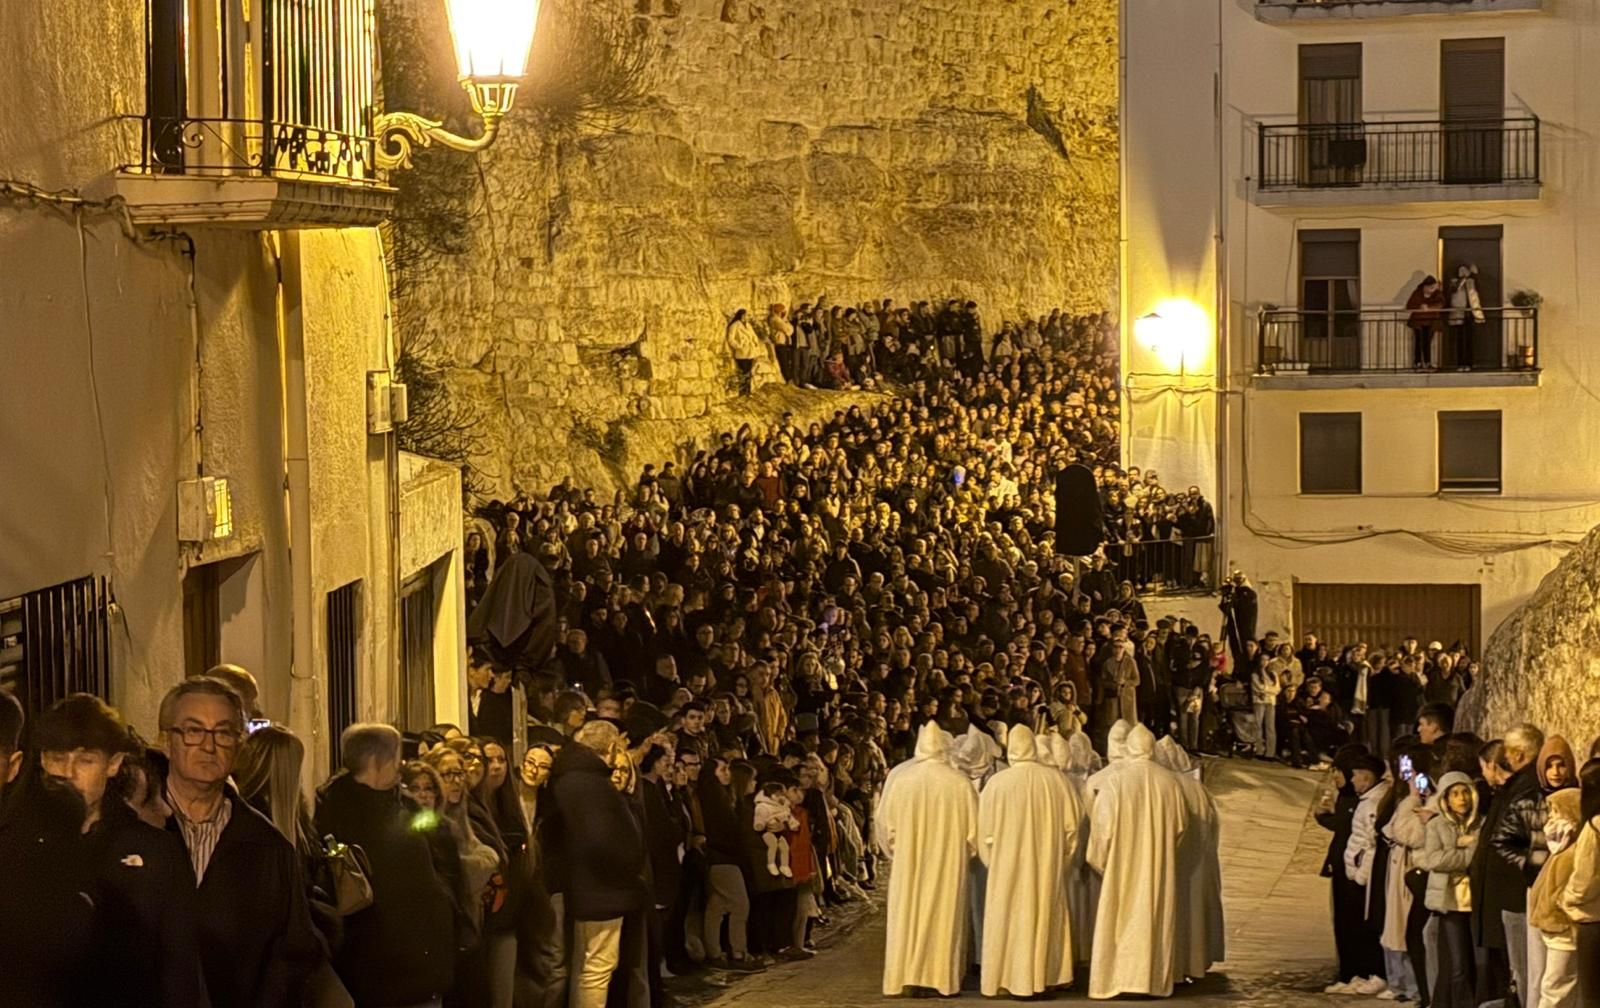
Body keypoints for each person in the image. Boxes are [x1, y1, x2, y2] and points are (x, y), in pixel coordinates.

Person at [34, 694, 207, 1008]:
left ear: (112, 764)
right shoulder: (19, 845)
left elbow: (179, 970)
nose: (69, 773)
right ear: (44, 761)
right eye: (58, 758)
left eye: (85, 761)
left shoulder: (155, 852)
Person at [159, 677, 321, 1008]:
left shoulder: (269, 847)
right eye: (194, 731)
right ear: (165, 741)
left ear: (239, 745)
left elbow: (292, 950)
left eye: (223, 733)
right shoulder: (134, 833)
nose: (209, 746)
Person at [316, 723, 458, 1008]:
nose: (400, 767)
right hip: (398, 972)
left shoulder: (337, 810)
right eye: (396, 758)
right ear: (376, 762)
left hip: (393, 970)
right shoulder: (378, 820)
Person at [542, 720, 650, 1008]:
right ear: (612, 747)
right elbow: (600, 838)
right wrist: (626, 863)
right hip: (602, 888)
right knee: (597, 967)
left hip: (592, 886)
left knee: (587, 965)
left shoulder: (574, 777)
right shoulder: (589, 783)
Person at [976, 724, 1081, 998]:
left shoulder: (997, 784)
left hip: (1006, 867)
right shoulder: (1057, 782)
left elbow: (983, 832)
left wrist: (995, 863)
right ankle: (1046, 975)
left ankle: (1007, 976)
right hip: (1046, 864)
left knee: (1008, 916)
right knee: (1046, 914)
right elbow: (1072, 830)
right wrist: (1060, 861)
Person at [1086, 724, 1188, 1000]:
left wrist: (1102, 863)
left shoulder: (1116, 781)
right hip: (1156, 865)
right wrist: (1162, 853)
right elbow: (1180, 826)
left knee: (1119, 919)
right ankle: (1150, 979)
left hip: (1121, 866)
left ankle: (1119, 978)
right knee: (1154, 918)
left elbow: (1102, 828)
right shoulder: (1170, 782)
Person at [877, 722, 979, 998]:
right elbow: (974, 833)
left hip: (909, 863)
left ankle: (906, 976)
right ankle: (940, 978)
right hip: (947, 863)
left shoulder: (902, 781)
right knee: (944, 916)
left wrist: (901, 852)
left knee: (908, 914)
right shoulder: (959, 783)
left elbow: (887, 827)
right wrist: (959, 854)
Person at [1488, 724, 1551, 1007]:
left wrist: (1531, 866)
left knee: (1526, 967)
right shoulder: (1523, 786)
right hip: (1522, 888)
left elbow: (1503, 840)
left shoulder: (1526, 789)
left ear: (1519, 754)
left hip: (1520, 892)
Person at [1416, 771, 1482, 1008]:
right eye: (1455, 794)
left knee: (1479, 962)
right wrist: (1464, 851)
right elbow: (1434, 860)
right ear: (1446, 798)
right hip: (1450, 902)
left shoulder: (1480, 824)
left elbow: (1481, 856)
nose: (1461, 798)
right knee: (1458, 965)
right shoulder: (1436, 825)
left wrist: (1463, 850)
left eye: (1465, 792)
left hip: (1476, 901)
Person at [1406, 276, 1445, 369]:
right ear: (1424, 287)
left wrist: (1429, 308)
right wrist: (1420, 307)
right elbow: (1410, 305)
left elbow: (1441, 304)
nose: (1432, 289)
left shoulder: (1437, 294)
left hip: (1430, 321)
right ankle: (1418, 362)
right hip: (1418, 322)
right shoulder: (1417, 293)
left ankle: (1427, 362)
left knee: (1427, 342)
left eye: (1433, 287)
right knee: (1419, 342)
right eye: (1430, 287)